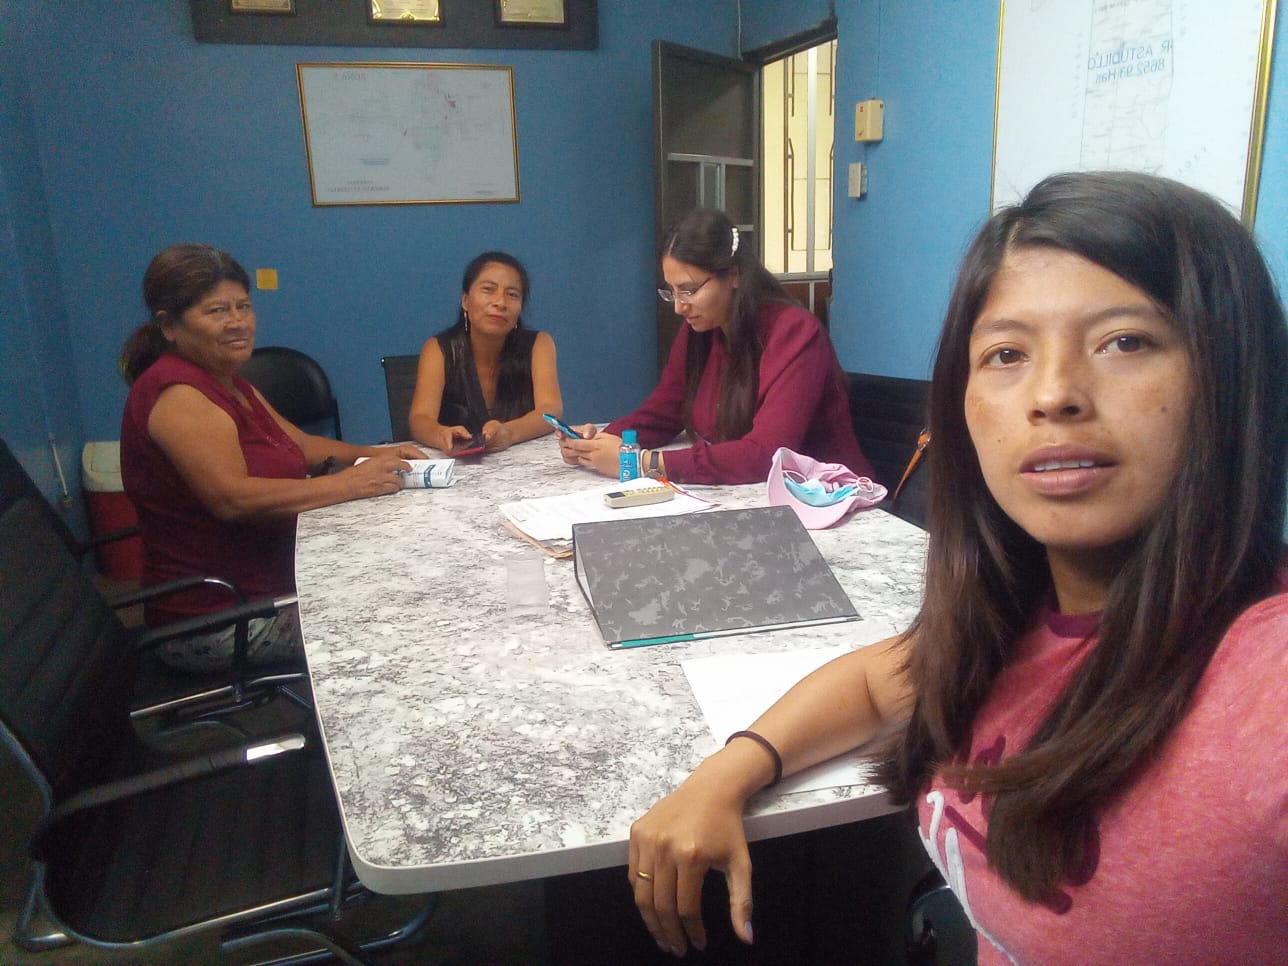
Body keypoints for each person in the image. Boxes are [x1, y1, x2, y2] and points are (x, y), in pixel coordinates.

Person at [627, 172, 1287, 963]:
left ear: (1229, 374)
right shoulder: (1014, 616)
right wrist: (730, 769)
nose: (1053, 394)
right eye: (1006, 353)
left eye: (1125, 342)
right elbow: (875, 680)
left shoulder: (1262, 685)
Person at [119, 243, 424, 671]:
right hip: (222, 619)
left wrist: (377, 453)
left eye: (243, 306)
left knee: (403, 577)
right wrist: (347, 483)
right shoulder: (177, 394)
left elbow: (302, 446)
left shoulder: (229, 381)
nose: (237, 322)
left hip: (274, 583)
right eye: (216, 311)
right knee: (402, 620)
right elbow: (232, 498)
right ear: (169, 324)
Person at [557, 209, 871, 485]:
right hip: (753, 495)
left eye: (689, 290)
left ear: (733, 276)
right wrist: (599, 442)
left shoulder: (795, 333)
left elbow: (767, 455)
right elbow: (662, 413)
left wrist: (642, 463)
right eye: (671, 291)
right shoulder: (700, 331)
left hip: (827, 500)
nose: (679, 306)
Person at [408, 250, 563, 453]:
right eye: (488, 289)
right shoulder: (438, 349)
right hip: (458, 464)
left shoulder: (539, 344)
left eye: (512, 294)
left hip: (523, 462)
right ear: (465, 300)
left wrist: (508, 433)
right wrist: (440, 434)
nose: (500, 302)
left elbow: (551, 409)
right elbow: (420, 419)